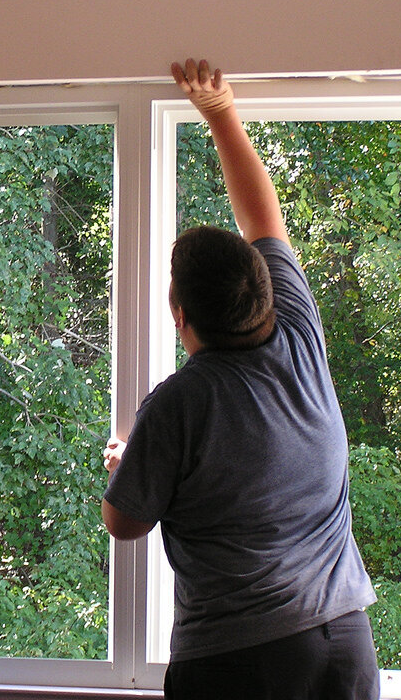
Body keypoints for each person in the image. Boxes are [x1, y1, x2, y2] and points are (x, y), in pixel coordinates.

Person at [101, 60, 380, 699]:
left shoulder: (177, 404)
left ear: (180, 317)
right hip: (344, 642)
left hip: (241, 661)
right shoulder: (300, 336)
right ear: (266, 289)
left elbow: (124, 523)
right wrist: (221, 110)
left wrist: (133, 466)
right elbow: (263, 217)